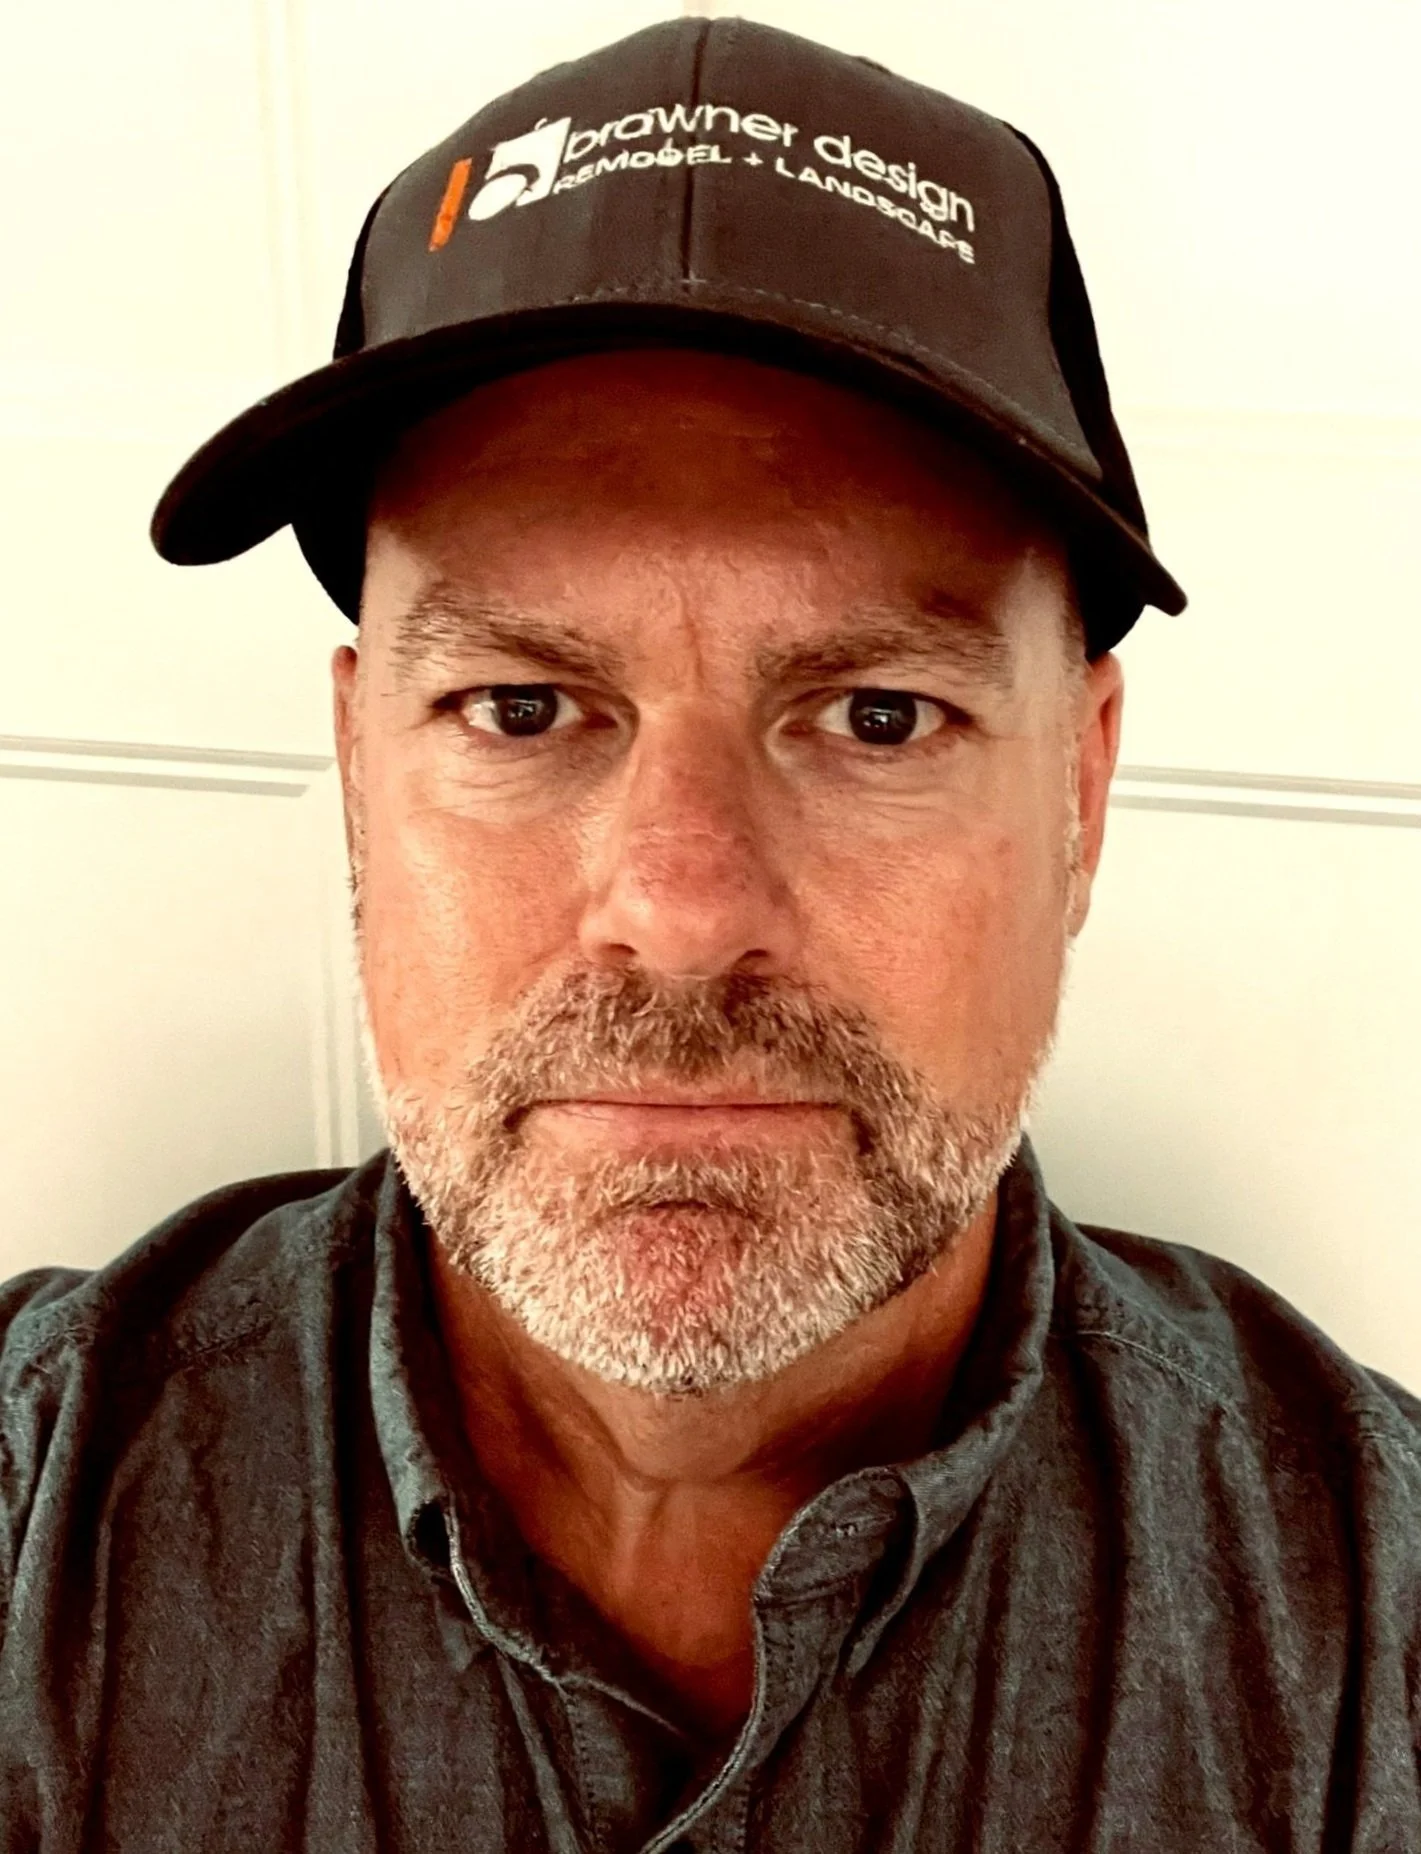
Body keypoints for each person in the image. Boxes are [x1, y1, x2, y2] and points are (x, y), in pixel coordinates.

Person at [1, 18, 1417, 1851]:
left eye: (879, 718)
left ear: (1081, 786)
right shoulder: (34, 1518)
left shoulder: (1374, 1629)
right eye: (521, 708)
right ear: (358, 774)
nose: (679, 916)